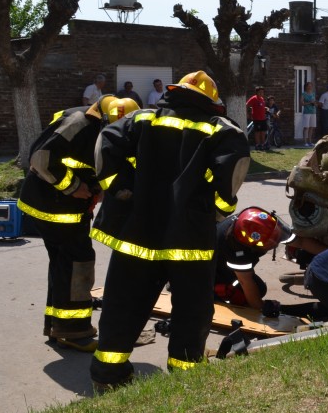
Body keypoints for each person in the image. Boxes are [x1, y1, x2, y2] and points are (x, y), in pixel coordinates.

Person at [89, 70, 250, 393]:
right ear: (211, 101)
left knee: (124, 303)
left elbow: (105, 146)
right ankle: (185, 375)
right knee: (192, 307)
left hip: (138, 233)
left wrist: (121, 192)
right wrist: (216, 210)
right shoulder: (221, 130)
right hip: (189, 238)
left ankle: (108, 375)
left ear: (175, 91)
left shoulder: (141, 119)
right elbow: (232, 175)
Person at [18, 95, 140, 352]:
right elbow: (40, 159)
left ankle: (56, 325)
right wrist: (74, 187)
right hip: (53, 206)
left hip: (63, 206)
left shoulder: (103, 127)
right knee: (78, 263)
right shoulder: (78, 122)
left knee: (63, 263)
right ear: (103, 118)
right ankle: (74, 331)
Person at [213, 207, 295, 310]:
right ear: (252, 245)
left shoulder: (262, 223)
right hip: (209, 274)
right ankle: (214, 296)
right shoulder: (234, 247)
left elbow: (300, 242)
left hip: (223, 264)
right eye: (270, 244)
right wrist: (262, 308)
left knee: (259, 288)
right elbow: (245, 281)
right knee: (243, 295)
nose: (275, 244)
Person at [246, 86, 269, 151]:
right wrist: (248, 113)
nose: (261, 93)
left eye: (262, 92)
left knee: (263, 132)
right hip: (257, 119)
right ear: (256, 92)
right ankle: (257, 145)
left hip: (263, 118)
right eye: (260, 92)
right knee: (257, 132)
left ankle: (263, 144)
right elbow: (247, 105)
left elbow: (261, 107)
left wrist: (265, 108)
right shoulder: (254, 98)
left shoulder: (262, 99)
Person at [300, 81, 317, 146]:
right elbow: (301, 103)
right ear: (306, 87)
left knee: (311, 127)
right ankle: (305, 142)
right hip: (306, 112)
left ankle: (310, 141)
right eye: (308, 86)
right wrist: (310, 102)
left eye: (311, 86)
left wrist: (315, 104)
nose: (310, 87)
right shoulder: (303, 94)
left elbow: (314, 102)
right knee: (306, 127)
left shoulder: (313, 94)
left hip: (313, 112)